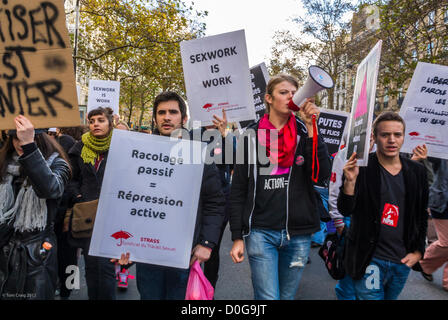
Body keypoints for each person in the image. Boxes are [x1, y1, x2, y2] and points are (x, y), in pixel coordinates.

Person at [229, 74, 331, 300]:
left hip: (299, 234)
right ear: (269, 98)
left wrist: (313, 129)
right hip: (260, 232)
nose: (290, 97)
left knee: (286, 297)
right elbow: (238, 190)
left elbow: (321, 176)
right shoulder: (252, 136)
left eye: (295, 93)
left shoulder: (305, 132)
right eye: (283, 93)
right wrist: (237, 235)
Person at [119, 91, 225, 300]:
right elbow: (125, 199)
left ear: (184, 119)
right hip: (148, 254)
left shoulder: (198, 154)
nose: (166, 117)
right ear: (155, 118)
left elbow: (215, 202)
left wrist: (206, 243)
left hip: (183, 254)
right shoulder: (138, 153)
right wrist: (121, 244)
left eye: (173, 112)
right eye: (161, 112)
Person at [338, 111, 428, 300]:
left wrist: (419, 251)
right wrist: (350, 181)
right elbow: (345, 209)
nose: (392, 140)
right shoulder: (362, 168)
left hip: (402, 261)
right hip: (370, 260)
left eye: (397, 135)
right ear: (375, 137)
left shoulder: (417, 170)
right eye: (385, 135)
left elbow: (420, 215)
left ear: (404, 137)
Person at [0, 115, 71, 300]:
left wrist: (29, 148)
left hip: (36, 256)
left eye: (24, 137)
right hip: (4, 251)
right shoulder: (4, 164)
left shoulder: (57, 163)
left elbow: (50, 189)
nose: (19, 142)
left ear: (37, 137)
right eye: (15, 137)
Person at [67, 107, 116, 300]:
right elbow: (71, 178)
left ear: (110, 123)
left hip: (112, 213)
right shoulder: (79, 147)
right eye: (92, 120)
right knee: (91, 266)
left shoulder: (121, 145)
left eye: (100, 120)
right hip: (87, 214)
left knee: (106, 268)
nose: (95, 123)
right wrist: (78, 196)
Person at [192, 109, 237, 288]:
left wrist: (224, 134)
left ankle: (208, 288)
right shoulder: (191, 135)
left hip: (220, 201)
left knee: (212, 246)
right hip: (194, 199)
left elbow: (234, 162)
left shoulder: (227, 136)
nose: (213, 119)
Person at [417, 158, 448, 292]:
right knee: (446, 242)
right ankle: (424, 264)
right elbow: (433, 156)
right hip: (443, 203)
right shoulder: (444, 149)